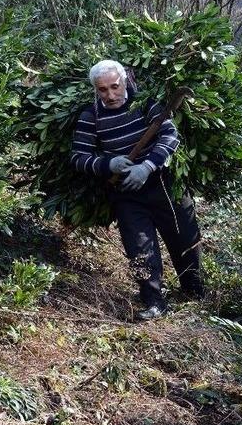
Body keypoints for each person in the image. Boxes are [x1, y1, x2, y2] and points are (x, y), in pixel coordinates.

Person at [70, 59, 204, 320]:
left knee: (184, 237)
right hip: (126, 193)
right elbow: (78, 157)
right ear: (94, 90)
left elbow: (169, 136)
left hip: (163, 184)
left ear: (125, 82)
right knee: (139, 248)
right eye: (102, 90)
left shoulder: (145, 104)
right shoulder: (91, 116)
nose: (110, 95)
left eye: (114, 87)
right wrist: (108, 164)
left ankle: (194, 292)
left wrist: (147, 167)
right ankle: (154, 302)